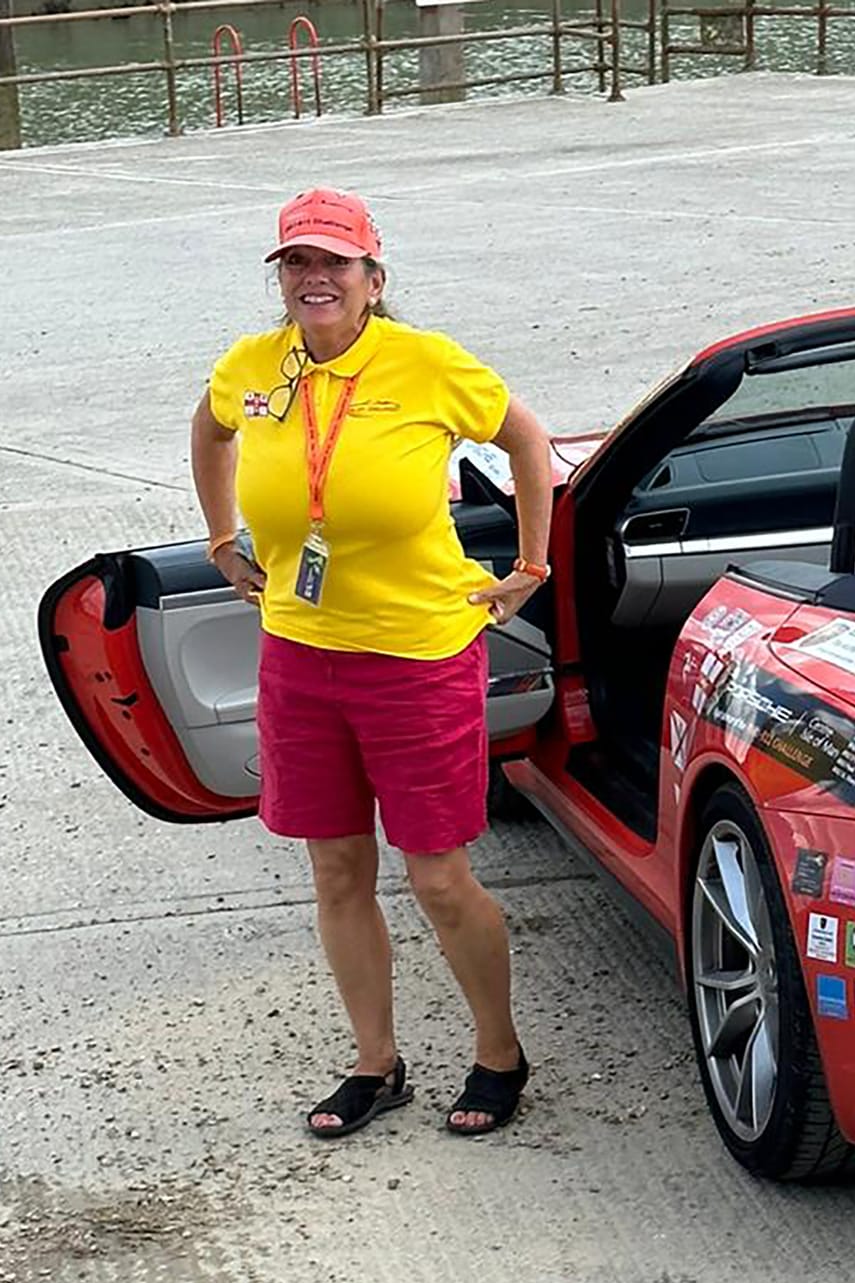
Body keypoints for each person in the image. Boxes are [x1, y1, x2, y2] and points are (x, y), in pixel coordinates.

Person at [190, 187, 555, 1139]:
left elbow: (527, 440)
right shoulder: (252, 366)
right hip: (300, 653)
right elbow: (211, 429)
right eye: (297, 263)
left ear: (373, 277)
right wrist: (222, 538)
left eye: (334, 262)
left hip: (416, 655)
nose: (315, 278)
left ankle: (499, 1054)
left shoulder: (425, 364)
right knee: (337, 870)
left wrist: (530, 565)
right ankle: (376, 1063)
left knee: (438, 876)